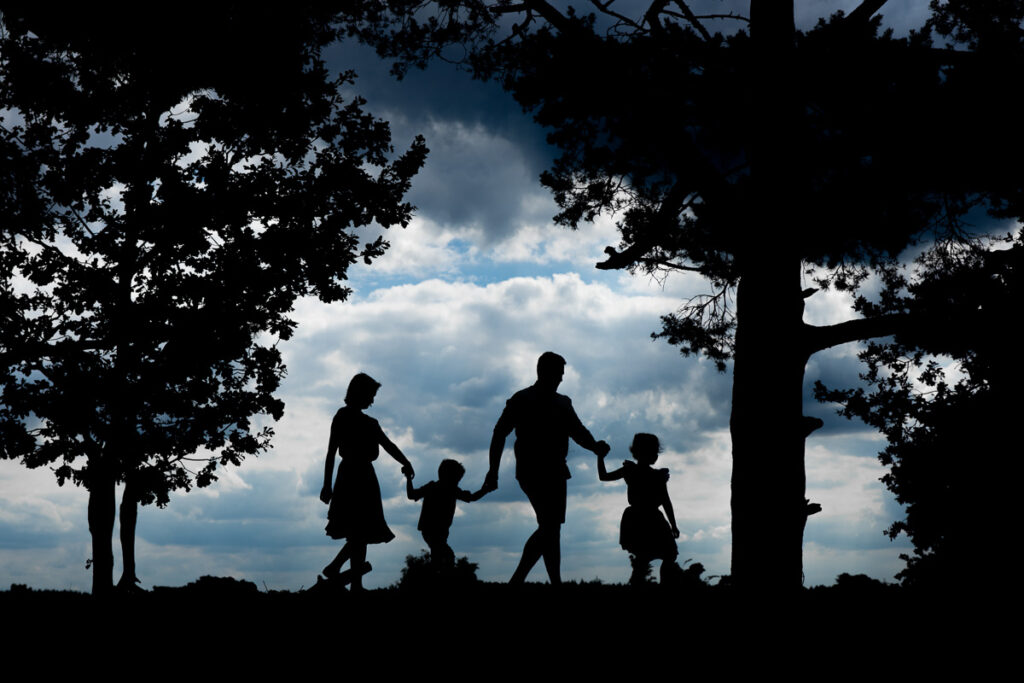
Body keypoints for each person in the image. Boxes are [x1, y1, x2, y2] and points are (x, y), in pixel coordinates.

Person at [486, 351, 609, 585]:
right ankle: (520, 581)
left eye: (562, 374)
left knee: (551, 528)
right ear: (544, 372)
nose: (561, 378)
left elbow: (578, 431)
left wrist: (595, 446)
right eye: (558, 374)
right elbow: (499, 433)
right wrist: (493, 471)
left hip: (556, 471)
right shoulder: (521, 399)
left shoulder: (563, 402)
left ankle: (553, 583)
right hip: (532, 471)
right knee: (550, 526)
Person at [320, 372, 414, 591]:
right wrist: (327, 484)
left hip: (365, 478)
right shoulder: (343, 416)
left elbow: (388, 445)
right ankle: (344, 575)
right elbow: (331, 452)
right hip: (351, 478)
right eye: (370, 395)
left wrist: (406, 462)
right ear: (359, 393)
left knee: (360, 533)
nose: (372, 401)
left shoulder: (370, 423)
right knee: (358, 533)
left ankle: (350, 579)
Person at [597, 432, 682, 585]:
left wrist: (600, 457)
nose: (656, 455)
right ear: (645, 453)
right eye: (654, 452)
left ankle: (645, 585)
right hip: (648, 519)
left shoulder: (633, 471)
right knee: (664, 555)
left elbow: (603, 476)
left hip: (640, 518)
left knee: (647, 558)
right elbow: (665, 501)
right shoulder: (653, 475)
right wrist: (673, 525)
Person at [406, 459, 493, 568]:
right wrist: (486, 490)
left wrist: (408, 478)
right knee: (447, 556)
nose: (457, 482)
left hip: (433, 531)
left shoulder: (435, 487)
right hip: (433, 531)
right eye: (457, 479)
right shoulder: (450, 489)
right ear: (449, 477)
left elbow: (411, 494)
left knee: (440, 558)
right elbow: (472, 497)